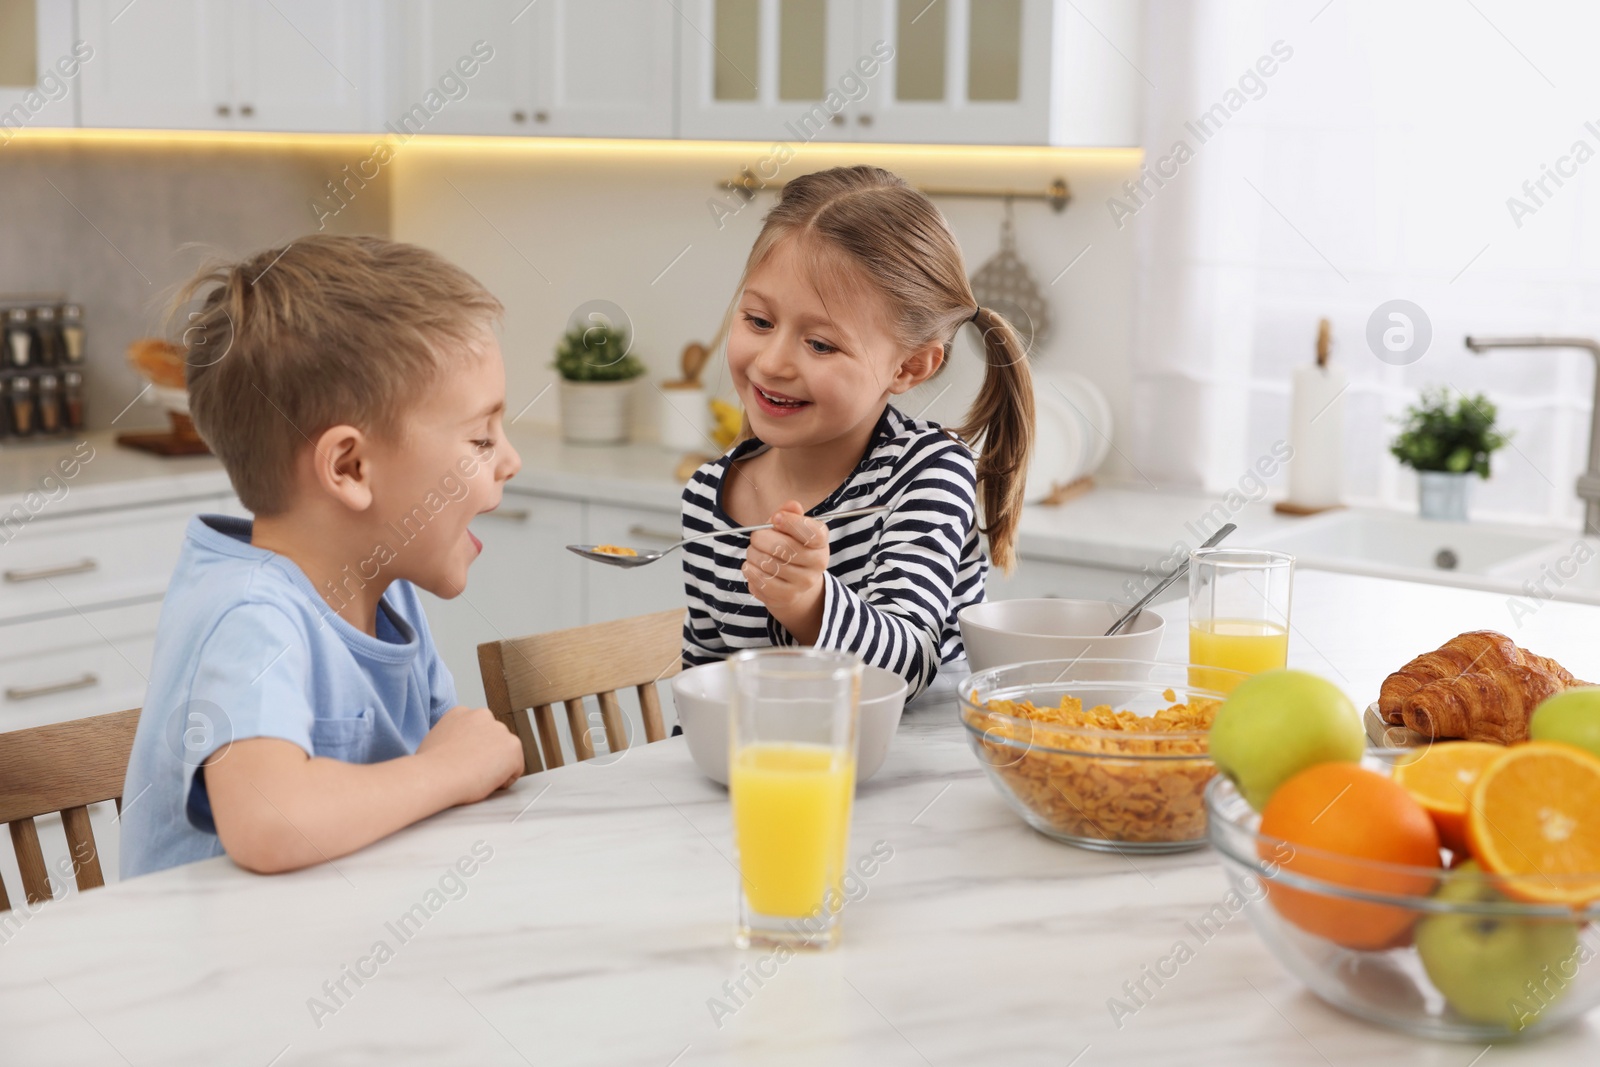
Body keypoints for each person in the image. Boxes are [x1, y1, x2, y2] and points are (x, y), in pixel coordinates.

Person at [120, 235, 526, 879]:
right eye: (480, 437)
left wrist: (460, 764)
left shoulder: (389, 595)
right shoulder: (250, 614)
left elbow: (457, 767)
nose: (510, 461)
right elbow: (269, 824)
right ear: (350, 466)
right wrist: (444, 770)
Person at [681, 165, 1035, 699]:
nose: (772, 362)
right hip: (775, 775)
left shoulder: (927, 472)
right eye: (758, 321)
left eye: (820, 345)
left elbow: (909, 664)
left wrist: (810, 604)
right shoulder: (707, 497)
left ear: (909, 367)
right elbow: (703, 682)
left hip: (916, 776)